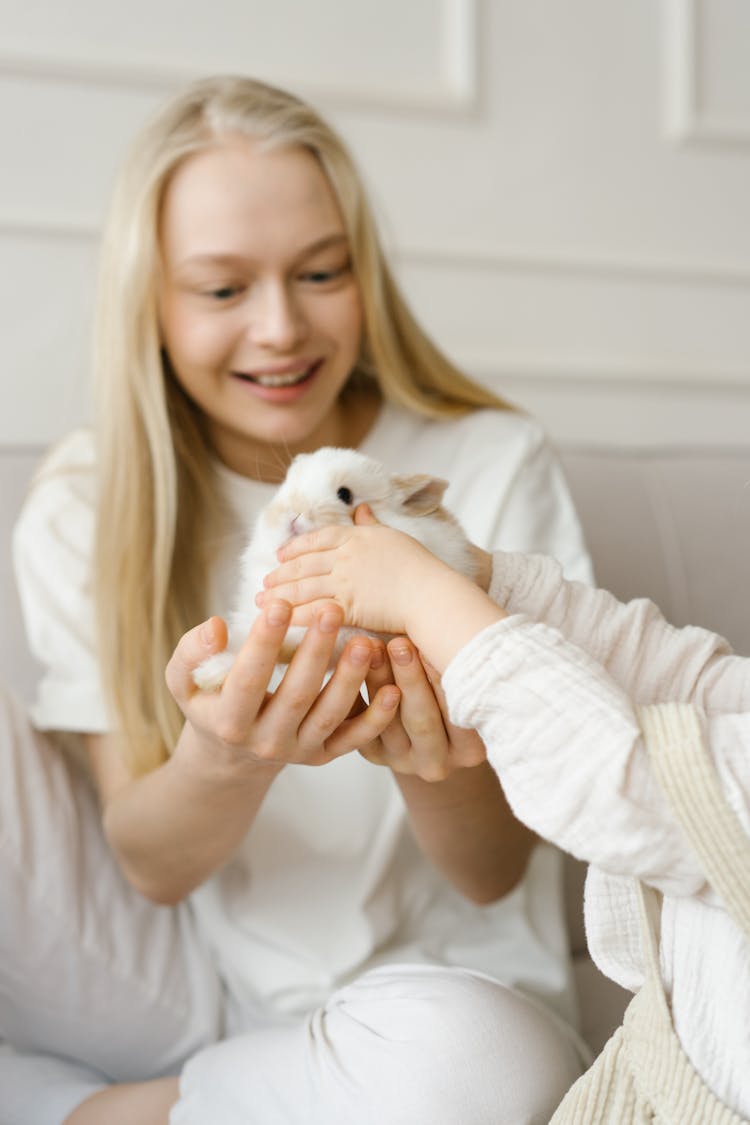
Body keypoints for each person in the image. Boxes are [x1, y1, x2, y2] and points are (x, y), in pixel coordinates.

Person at [3, 75, 593, 1125]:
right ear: (152, 302)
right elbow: (153, 867)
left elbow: (496, 874)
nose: (280, 329)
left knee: (481, 1070)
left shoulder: (486, 468)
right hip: (190, 981)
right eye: (223, 290)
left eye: (320, 273)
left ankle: (94, 1113)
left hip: (440, 995)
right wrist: (225, 755)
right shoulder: (89, 501)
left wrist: (437, 759)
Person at [262, 506, 750, 1121]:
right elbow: (687, 682)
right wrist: (479, 578)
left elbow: (628, 787)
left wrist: (430, 599)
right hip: (653, 1080)